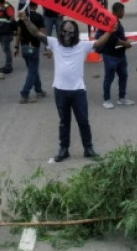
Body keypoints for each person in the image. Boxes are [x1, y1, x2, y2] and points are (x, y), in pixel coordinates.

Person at [17, 15, 113, 162]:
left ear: (75, 34)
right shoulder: (54, 43)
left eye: (70, 32)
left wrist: (110, 31)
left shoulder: (83, 46)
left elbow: (99, 42)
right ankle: (63, 149)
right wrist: (25, 20)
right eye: (64, 32)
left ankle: (88, 148)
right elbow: (36, 33)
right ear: (60, 32)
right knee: (64, 121)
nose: (67, 35)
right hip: (60, 91)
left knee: (83, 121)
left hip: (78, 91)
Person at [96, 2, 134, 109]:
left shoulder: (117, 21)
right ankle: (106, 99)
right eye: (123, 11)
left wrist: (127, 41)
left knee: (123, 76)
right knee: (109, 77)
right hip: (111, 55)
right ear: (118, 11)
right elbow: (113, 38)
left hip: (120, 55)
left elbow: (119, 37)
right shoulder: (110, 22)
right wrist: (125, 43)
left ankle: (122, 97)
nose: (124, 13)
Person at [15, 1, 47, 103]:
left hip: (24, 47)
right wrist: (47, 45)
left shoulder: (22, 18)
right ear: (36, 6)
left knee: (32, 70)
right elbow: (42, 32)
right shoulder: (38, 17)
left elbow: (19, 33)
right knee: (32, 71)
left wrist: (16, 47)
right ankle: (24, 94)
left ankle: (39, 90)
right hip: (34, 47)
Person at [0, 0, 16, 78]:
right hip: (1, 32)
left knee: (6, 50)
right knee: (5, 49)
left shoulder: (7, 7)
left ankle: (8, 66)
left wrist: (10, 27)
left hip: (7, 32)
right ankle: (7, 65)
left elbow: (12, 18)